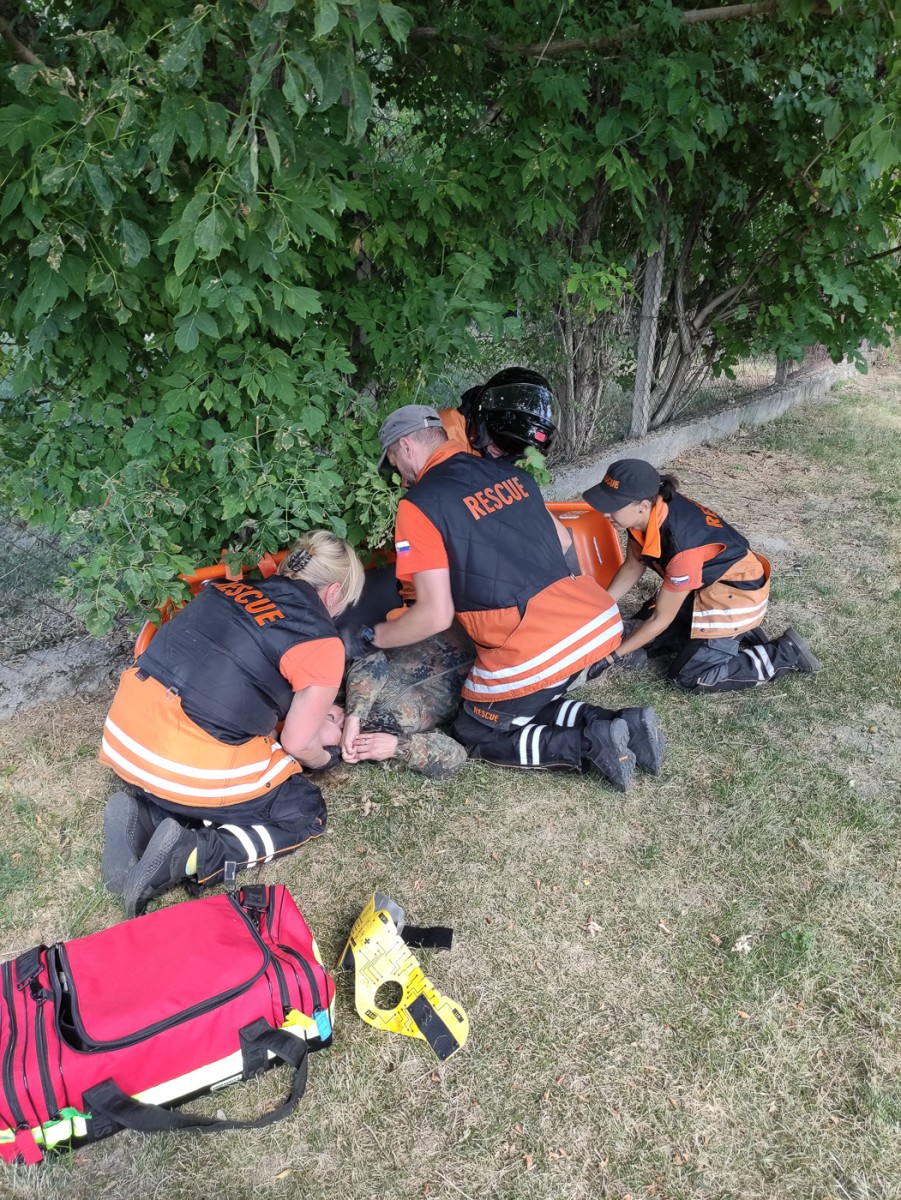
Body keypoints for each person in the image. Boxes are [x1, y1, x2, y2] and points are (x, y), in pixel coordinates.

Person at [343, 406, 663, 791]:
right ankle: (624, 724)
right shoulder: (511, 474)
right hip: (597, 619)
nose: (398, 473)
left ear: (407, 446)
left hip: (536, 645)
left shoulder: (419, 504)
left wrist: (371, 637)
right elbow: (565, 542)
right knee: (517, 702)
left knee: (475, 729)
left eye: (394, 460)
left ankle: (588, 744)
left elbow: (434, 615)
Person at [99, 530, 365, 918]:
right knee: (302, 809)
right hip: (181, 758)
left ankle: (147, 816)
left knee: (228, 770)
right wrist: (327, 760)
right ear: (334, 592)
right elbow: (296, 743)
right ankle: (189, 854)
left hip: (126, 734)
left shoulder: (224, 590)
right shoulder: (321, 642)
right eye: (345, 603)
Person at [583, 459, 820, 692]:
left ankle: (784, 653)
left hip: (735, 595)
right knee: (636, 636)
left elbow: (660, 619)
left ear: (643, 506)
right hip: (700, 587)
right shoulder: (645, 516)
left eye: (613, 506)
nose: (605, 513)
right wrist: (599, 610)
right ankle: (719, 637)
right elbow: (634, 565)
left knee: (690, 677)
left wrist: (611, 658)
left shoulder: (682, 548)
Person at [340, 624, 475, 779]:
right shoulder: (378, 744)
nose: (340, 722)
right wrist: (398, 746)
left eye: (330, 716)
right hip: (480, 673)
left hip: (457, 628)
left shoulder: (341, 688)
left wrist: (354, 715)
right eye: (340, 729)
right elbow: (456, 755)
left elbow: (370, 657)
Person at [439, 367, 558, 461]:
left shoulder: (510, 459)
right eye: (501, 441)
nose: (501, 450)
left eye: (514, 447)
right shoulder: (444, 435)